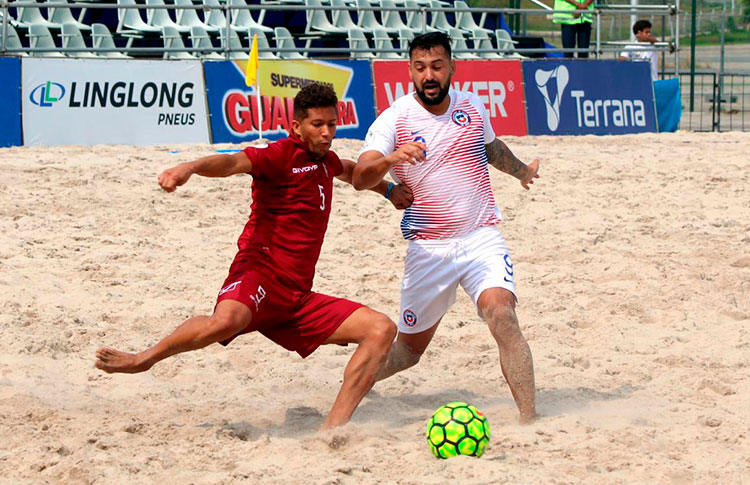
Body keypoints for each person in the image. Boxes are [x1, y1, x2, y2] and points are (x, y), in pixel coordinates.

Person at [94, 83, 414, 430]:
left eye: (332, 125)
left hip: (297, 297)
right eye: (317, 125)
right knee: (224, 322)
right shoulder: (279, 155)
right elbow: (232, 161)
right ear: (296, 127)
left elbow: (352, 172)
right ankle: (144, 359)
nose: (326, 133)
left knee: (381, 329)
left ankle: (331, 431)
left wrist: (389, 189)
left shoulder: (326, 161)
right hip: (259, 273)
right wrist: (189, 167)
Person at [353, 32, 539, 423]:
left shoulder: (471, 106)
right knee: (407, 354)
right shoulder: (395, 118)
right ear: (410, 71)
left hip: (480, 237)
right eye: (420, 68)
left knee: (502, 315)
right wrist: (392, 161)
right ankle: (352, 386)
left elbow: (491, 149)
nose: (429, 75)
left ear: (452, 67)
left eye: (437, 66)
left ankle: (529, 420)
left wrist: (522, 172)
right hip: (429, 249)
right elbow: (360, 176)